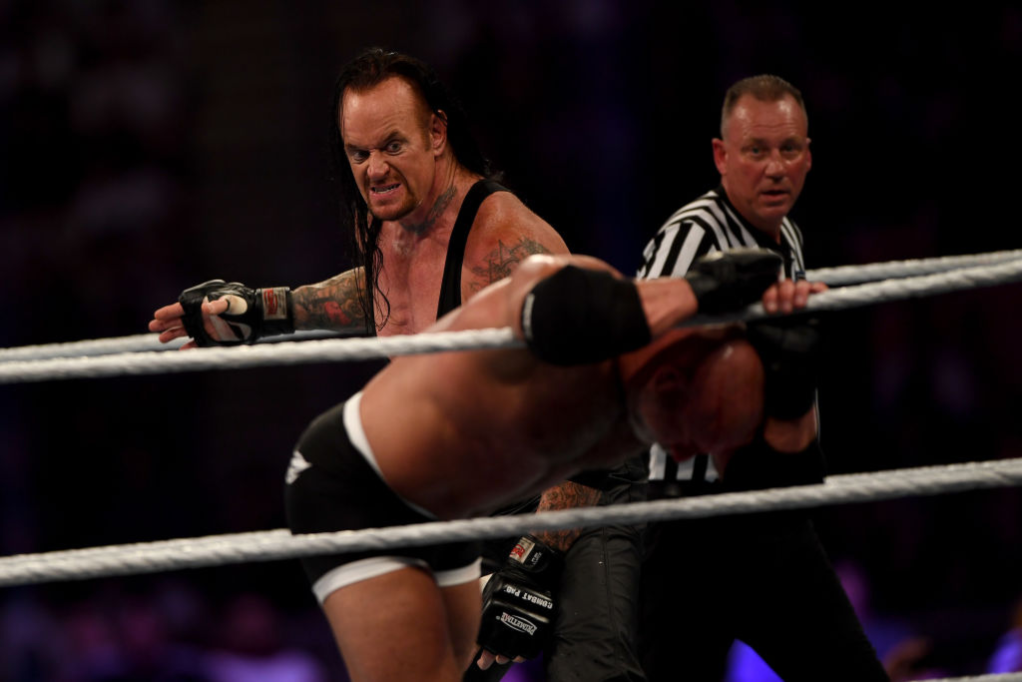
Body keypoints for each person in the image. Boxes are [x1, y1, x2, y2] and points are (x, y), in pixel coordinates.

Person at [147, 48, 645, 681]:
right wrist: (262, 312)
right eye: (358, 153)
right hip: (484, 485)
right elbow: (385, 298)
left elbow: (594, 411)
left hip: (580, 485)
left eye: (391, 146)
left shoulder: (506, 246)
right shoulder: (388, 219)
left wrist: (534, 561)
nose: (374, 169)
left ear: (436, 133)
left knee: (593, 674)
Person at [283, 247, 802, 682]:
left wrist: (528, 565)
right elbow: (542, 298)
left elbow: (769, 478)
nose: (684, 454)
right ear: (669, 383)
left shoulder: (641, 413)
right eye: (691, 435)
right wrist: (695, 290)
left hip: (454, 510)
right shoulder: (575, 304)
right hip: (362, 484)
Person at [635, 74, 889, 680]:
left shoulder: (787, 233)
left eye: (788, 149)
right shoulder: (692, 236)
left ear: (809, 156)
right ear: (722, 156)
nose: (775, 168)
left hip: (771, 513)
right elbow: (635, 355)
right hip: (688, 527)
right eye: (756, 150)